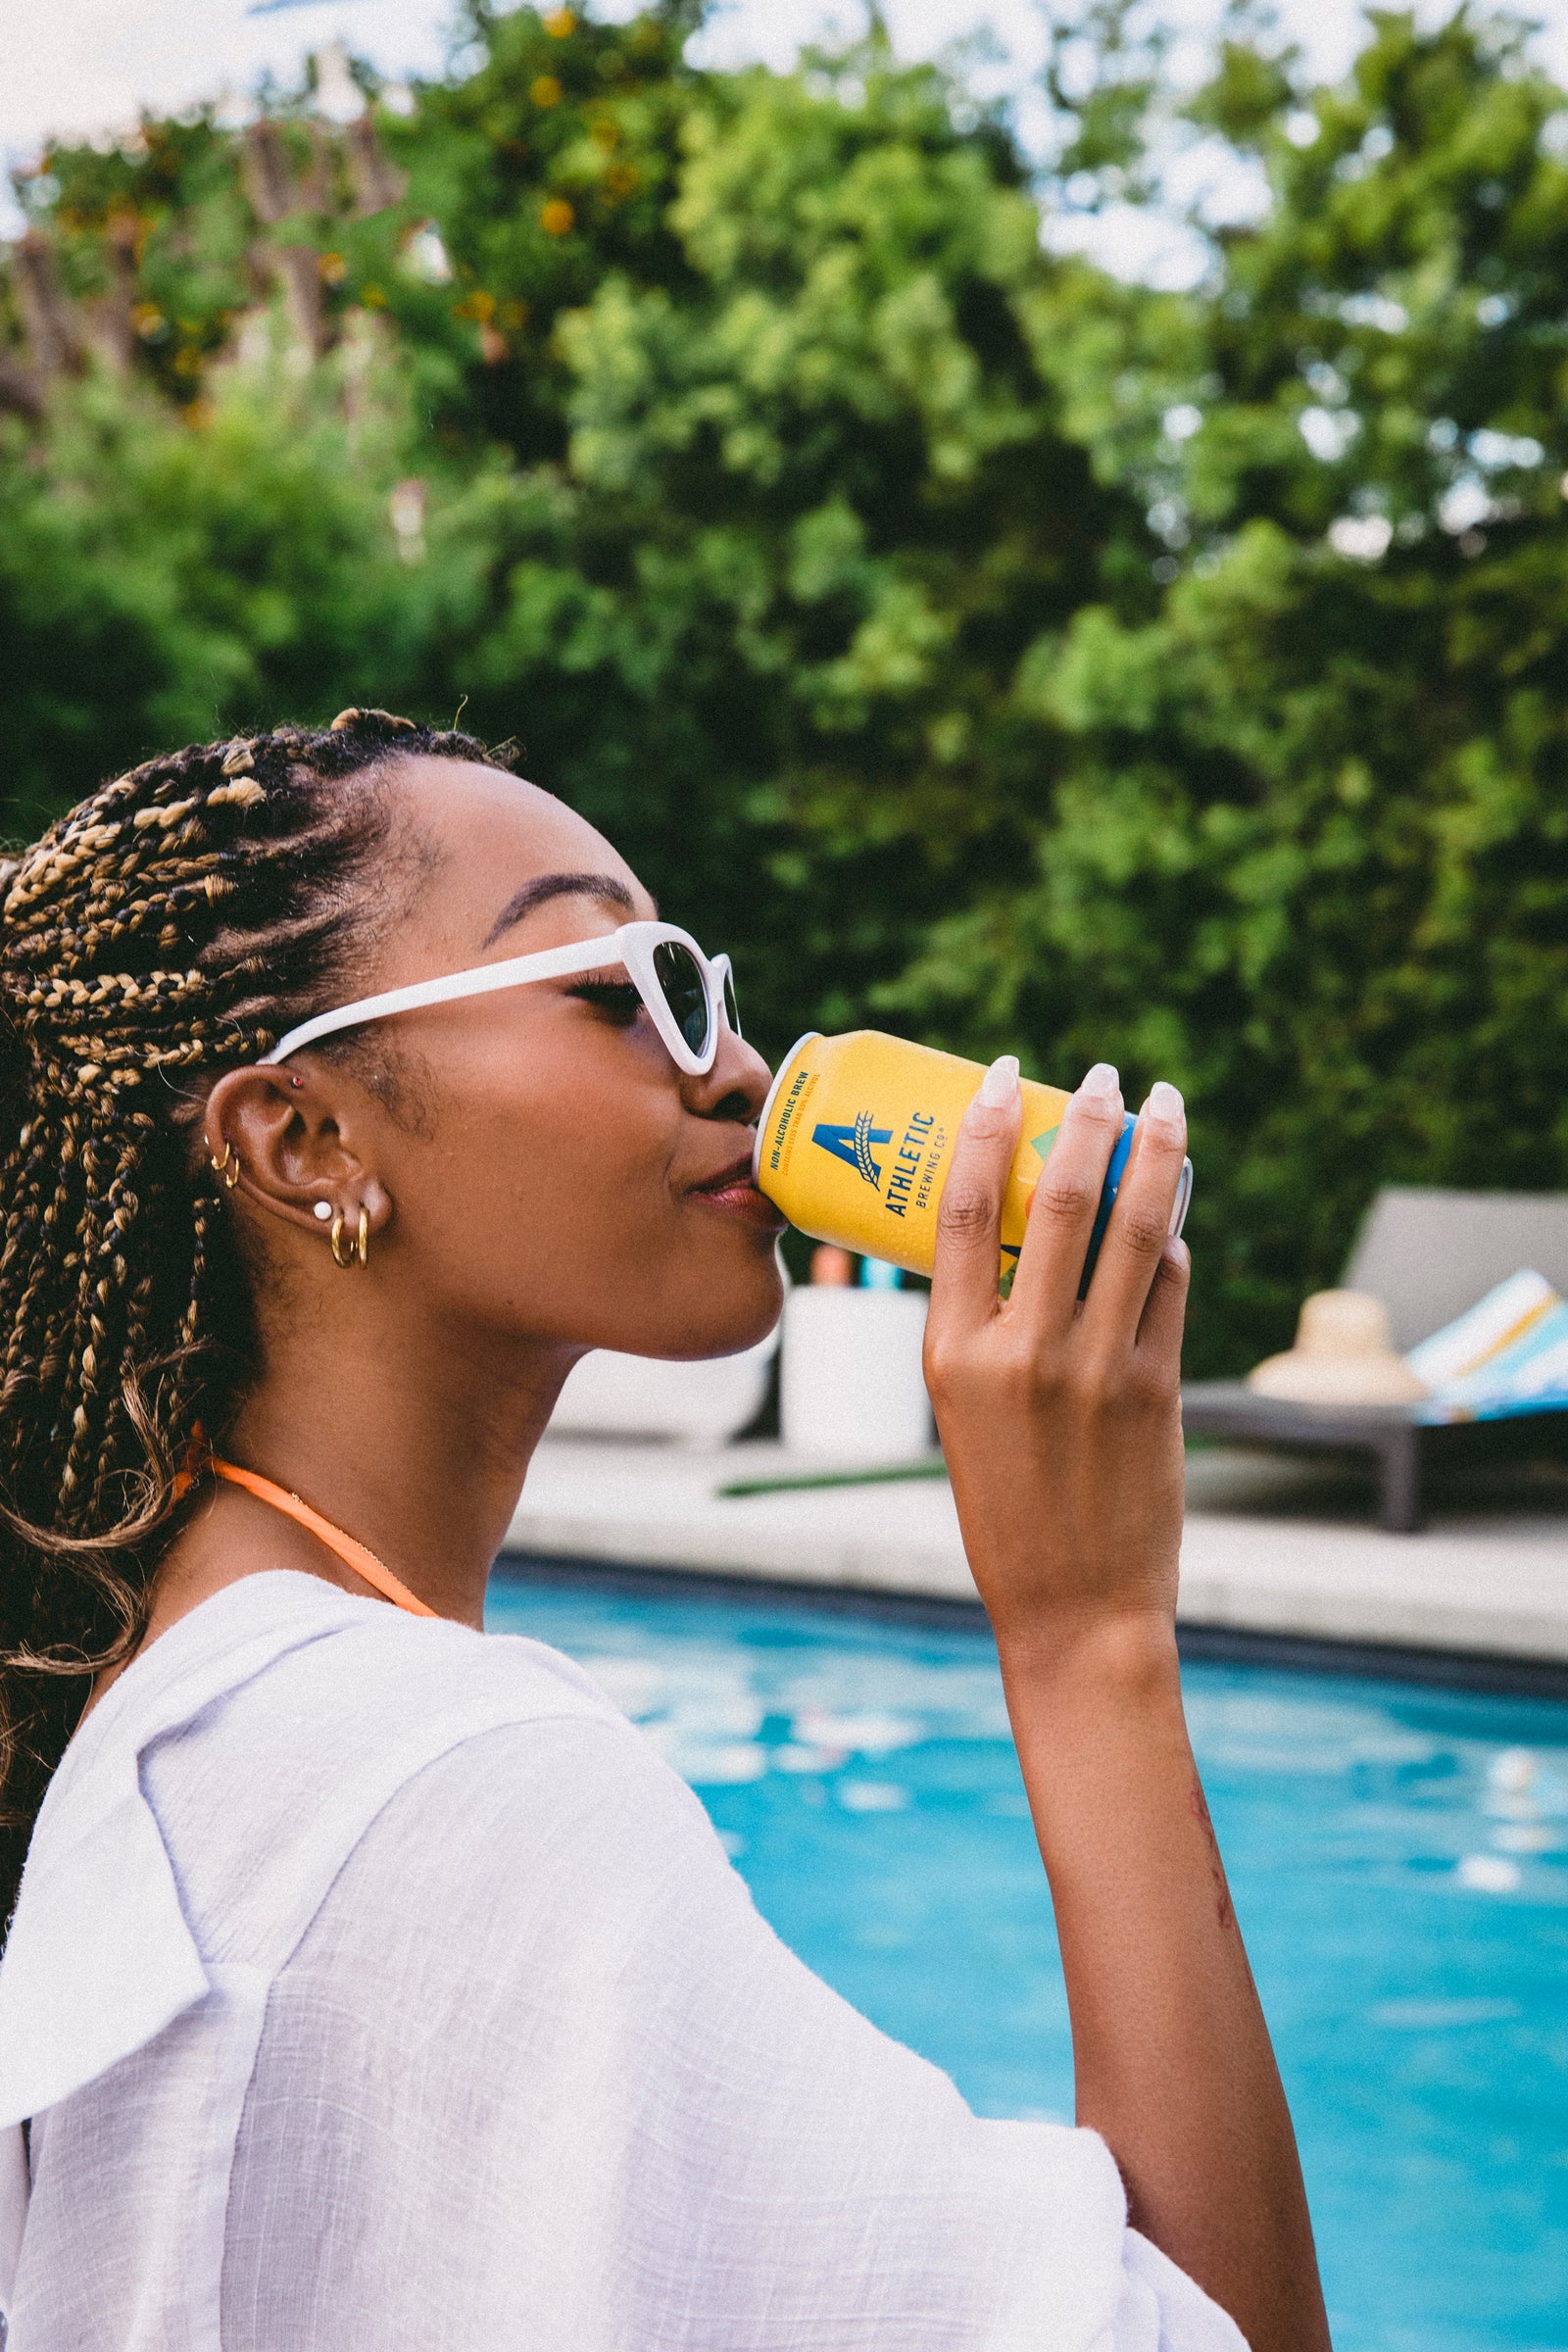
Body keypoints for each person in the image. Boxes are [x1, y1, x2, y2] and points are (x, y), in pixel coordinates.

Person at [0, 710, 1329, 2351]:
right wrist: (1089, 1636)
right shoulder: (433, 1780)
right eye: (620, 988)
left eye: (701, 988)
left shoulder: (198, 1702)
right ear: (306, 1137)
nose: (739, 1069)